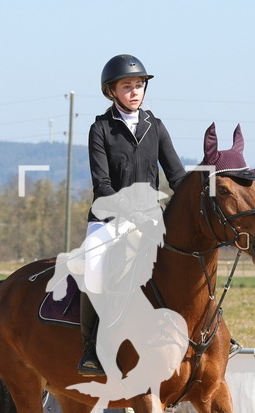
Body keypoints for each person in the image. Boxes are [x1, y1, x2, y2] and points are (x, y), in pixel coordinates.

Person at [78, 54, 186, 377]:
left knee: (188, 264)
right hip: (108, 219)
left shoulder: (156, 126)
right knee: (93, 268)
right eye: (128, 86)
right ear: (111, 91)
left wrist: (195, 201)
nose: (136, 91)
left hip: (152, 219)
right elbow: (102, 185)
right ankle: (89, 347)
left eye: (140, 85)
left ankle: (208, 333)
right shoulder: (100, 129)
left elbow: (177, 176)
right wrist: (132, 214)